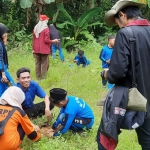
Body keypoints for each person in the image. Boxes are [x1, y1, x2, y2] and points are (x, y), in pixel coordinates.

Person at [96, 0, 150, 150]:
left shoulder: (125, 33)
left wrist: (107, 74)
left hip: (128, 96)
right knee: (147, 140)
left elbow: (118, 72)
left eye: (117, 22)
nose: (119, 26)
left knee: (106, 134)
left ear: (122, 15)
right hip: (147, 98)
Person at [32, 14, 60, 79]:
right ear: (45, 21)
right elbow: (46, 40)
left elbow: (33, 39)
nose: (47, 20)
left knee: (37, 64)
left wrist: (33, 49)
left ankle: (38, 77)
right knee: (45, 64)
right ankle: (44, 78)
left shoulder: (35, 28)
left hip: (36, 49)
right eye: (47, 19)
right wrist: (54, 41)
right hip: (44, 49)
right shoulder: (46, 29)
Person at [0, 23, 15, 96]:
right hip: (2, 70)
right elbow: (0, 58)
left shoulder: (1, 42)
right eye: (5, 33)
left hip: (3, 68)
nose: (6, 34)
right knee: (13, 87)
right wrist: (3, 73)